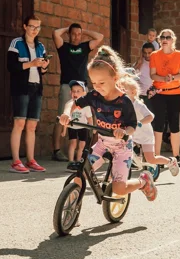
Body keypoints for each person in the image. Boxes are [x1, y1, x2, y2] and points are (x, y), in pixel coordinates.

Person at [59, 46, 158, 201]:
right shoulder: (94, 96)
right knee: (82, 172)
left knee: (119, 188)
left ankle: (143, 182)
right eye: (94, 83)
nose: (97, 87)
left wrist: (125, 132)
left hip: (122, 147)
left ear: (115, 78)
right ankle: (71, 209)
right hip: (102, 143)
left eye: (102, 83)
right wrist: (66, 113)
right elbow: (73, 103)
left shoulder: (124, 101)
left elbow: (132, 125)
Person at [52, 23, 104, 162]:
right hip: (67, 86)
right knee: (63, 116)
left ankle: (86, 150)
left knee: (87, 116)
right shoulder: (64, 47)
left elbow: (100, 37)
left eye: (78, 34)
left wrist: (84, 31)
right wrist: (68, 29)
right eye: (73, 34)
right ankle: (57, 150)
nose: (76, 36)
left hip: (83, 87)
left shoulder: (84, 47)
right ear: (69, 34)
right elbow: (56, 34)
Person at [7, 16, 50, 174]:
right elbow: (11, 66)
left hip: (36, 87)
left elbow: (42, 71)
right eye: (32, 26)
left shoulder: (41, 46)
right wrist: (32, 63)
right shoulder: (16, 43)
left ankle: (30, 160)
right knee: (19, 124)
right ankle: (15, 161)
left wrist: (44, 67)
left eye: (38, 27)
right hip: (21, 88)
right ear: (25, 26)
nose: (35, 30)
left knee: (32, 126)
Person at [119, 77, 180, 176]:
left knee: (151, 159)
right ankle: (119, 172)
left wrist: (140, 122)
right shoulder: (122, 105)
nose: (120, 94)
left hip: (145, 135)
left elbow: (151, 116)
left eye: (123, 91)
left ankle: (170, 161)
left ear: (133, 92)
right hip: (132, 134)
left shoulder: (138, 105)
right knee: (121, 149)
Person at [148, 29, 180, 166]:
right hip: (159, 93)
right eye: (162, 37)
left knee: (174, 124)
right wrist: (164, 79)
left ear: (173, 40)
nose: (165, 39)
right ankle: (156, 157)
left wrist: (173, 78)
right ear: (159, 40)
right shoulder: (154, 55)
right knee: (158, 124)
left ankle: (176, 156)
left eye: (168, 37)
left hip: (175, 92)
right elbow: (152, 75)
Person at [61, 80, 92, 165]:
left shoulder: (86, 106)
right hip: (72, 127)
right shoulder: (69, 104)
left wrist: (92, 128)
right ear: (70, 92)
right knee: (72, 143)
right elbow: (66, 119)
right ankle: (71, 161)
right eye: (74, 91)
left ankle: (78, 161)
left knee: (82, 145)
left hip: (83, 127)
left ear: (83, 93)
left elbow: (89, 118)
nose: (75, 93)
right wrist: (64, 130)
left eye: (78, 91)